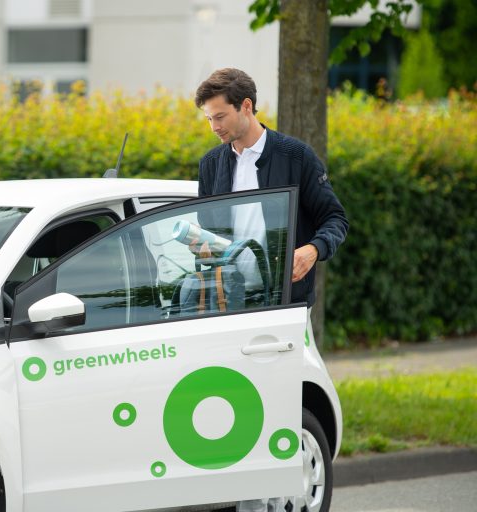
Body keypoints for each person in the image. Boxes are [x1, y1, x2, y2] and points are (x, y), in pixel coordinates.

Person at [193, 68, 348, 512]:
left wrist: (313, 250)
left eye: (220, 116)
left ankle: (279, 500)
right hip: (228, 306)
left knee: (282, 406)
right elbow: (208, 232)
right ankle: (241, 497)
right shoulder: (211, 164)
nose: (214, 126)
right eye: (208, 119)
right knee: (235, 406)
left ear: (246, 107)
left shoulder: (295, 156)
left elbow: (335, 220)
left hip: (283, 306)